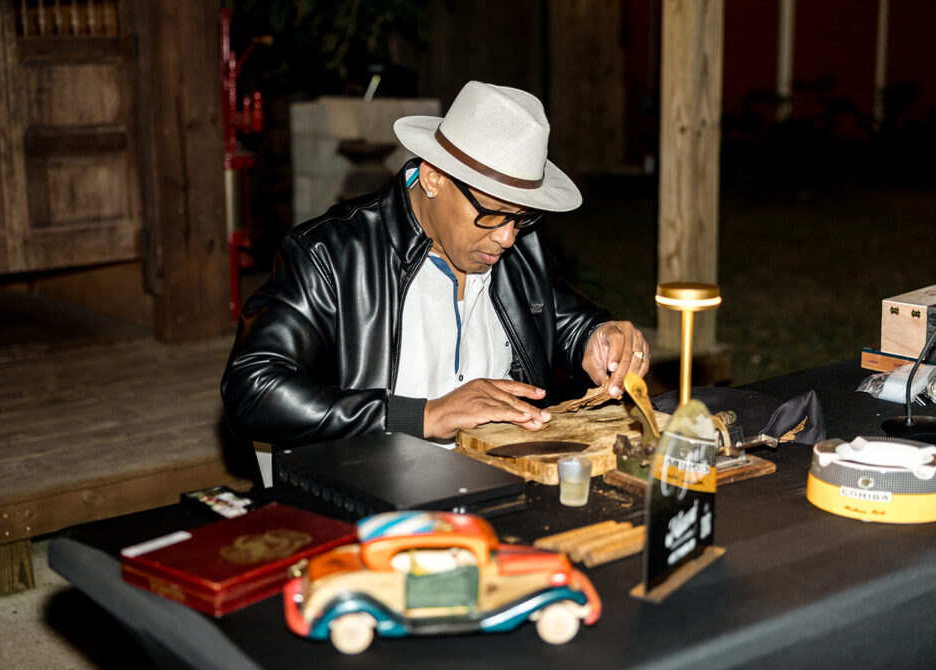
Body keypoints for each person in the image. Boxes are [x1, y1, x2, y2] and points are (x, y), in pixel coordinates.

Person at [222, 80, 650, 449]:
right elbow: (253, 389)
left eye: (522, 216)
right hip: (372, 494)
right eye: (492, 212)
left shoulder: (522, 247)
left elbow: (563, 320)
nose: (507, 237)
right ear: (433, 177)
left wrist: (599, 337)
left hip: (501, 477)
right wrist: (423, 416)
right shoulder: (331, 255)